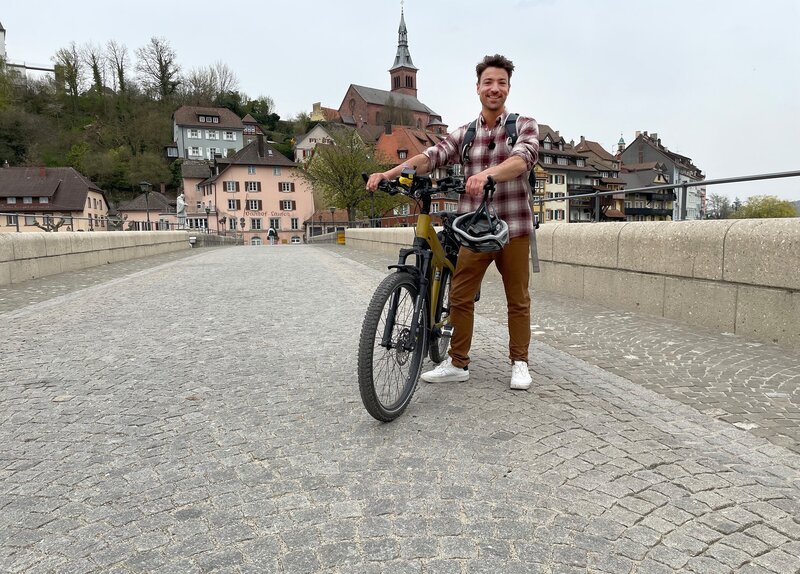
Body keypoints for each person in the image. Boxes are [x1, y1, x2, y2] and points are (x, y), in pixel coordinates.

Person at [366, 54, 539, 390]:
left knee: (517, 299)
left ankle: (519, 362)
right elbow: (431, 156)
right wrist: (388, 173)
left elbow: (523, 159)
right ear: (478, 87)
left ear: (508, 87)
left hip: (514, 227)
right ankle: (458, 362)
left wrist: (488, 174)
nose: (494, 88)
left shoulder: (523, 125)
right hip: (474, 229)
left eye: (500, 83)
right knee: (459, 295)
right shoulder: (466, 133)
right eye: (488, 82)